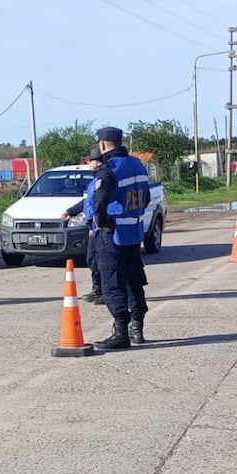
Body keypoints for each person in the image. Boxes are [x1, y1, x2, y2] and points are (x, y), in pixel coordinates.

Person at [91, 126, 150, 350]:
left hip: (113, 234)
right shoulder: (137, 164)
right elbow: (145, 198)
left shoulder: (109, 169)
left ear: (102, 144)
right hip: (134, 232)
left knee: (112, 282)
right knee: (134, 281)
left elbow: (99, 202)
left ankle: (121, 332)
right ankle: (137, 329)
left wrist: (101, 221)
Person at [62, 147, 106, 304]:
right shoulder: (94, 181)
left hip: (99, 228)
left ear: (98, 162)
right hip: (92, 227)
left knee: (102, 261)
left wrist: (97, 225)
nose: (88, 163)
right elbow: (87, 202)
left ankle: (107, 292)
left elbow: (100, 204)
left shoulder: (103, 180)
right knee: (92, 259)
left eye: (91, 161)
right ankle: (98, 289)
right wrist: (71, 212)